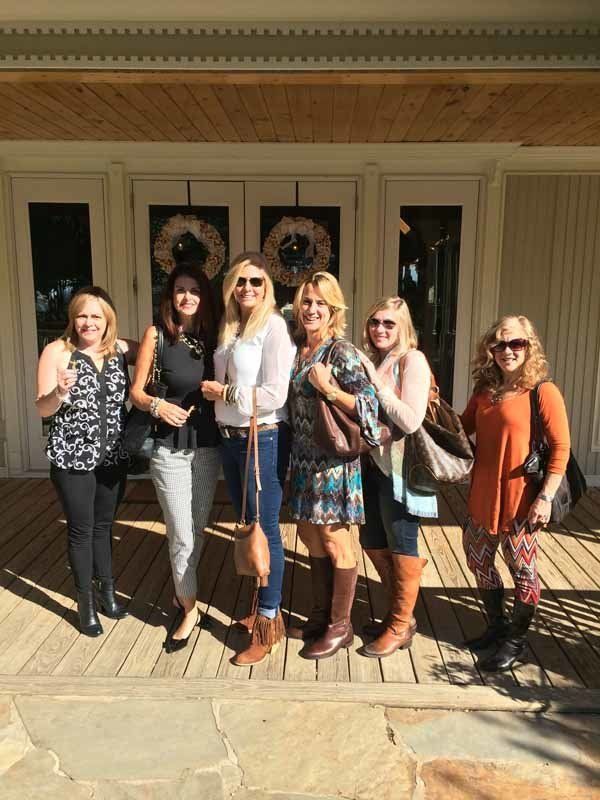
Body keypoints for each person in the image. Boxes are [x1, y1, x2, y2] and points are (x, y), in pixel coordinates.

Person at [201, 252, 296, 666]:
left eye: (256, 281)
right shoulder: (229, 326)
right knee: (246, 526)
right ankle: (259, 608)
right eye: (240, 281)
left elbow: (276, 394)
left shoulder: (273, 326)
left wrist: (225, 395)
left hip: (263, 438)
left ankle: (268, 625)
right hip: (230, 439)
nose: (248, 288)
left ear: (267, 285)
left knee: (266, 529)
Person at [461, 315, 570, 672]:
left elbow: (560, 447)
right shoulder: (486, 391)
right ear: (490, 350)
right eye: (500, 344)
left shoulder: (542, 391)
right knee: (478, 559)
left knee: (523, 568)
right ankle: (497, 626)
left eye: (516, 343)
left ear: (529, 345)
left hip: (521, 500)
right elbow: (461, 429)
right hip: (482, 495)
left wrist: (546, 497)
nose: (508, 351)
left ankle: (516, 639)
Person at [287, 271, 379, 660]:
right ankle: (322, 615)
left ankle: (341, 627)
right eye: (306, 302)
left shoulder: (340, 352)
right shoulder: (300, 349)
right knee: (309, 537)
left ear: (333, 309)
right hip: (304, 459)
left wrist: (330, 389)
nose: (311, 309)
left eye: (320, 303)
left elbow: (369, 408)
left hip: (333, 463)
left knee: (335, 541)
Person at [36, 286, 137, 637]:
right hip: (72, 455)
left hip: (112, 455)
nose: (88, 322)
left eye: (96, 315)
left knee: (103, 526)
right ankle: (86, 604)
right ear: (72, 318)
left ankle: (107, 593)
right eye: (82, 315)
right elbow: (42, 408)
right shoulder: (57, 352)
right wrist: (59, 392)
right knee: (81, 529)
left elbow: (156, 351)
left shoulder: (120, 350)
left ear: (108, 319)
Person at [130, 262, 220, 654]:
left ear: (205, 296)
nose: (187, 297)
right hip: (169, 446)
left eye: (195, 290)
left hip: (208, 446)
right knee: (181, 532)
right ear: (170, 295)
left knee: (196, 529)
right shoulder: (157, 334)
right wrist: (158, 407)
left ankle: (181, 589)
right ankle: (189, 607)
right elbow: (137, 392)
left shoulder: (217, 336)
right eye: (180, 290)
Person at [357, 296, 437, 657]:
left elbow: (410, 420)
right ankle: (398, 612)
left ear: (403, 327)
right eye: (376, 321)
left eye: (389, 323)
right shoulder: (375, 358)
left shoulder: (411, 360)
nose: (380, 329)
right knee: (373, 541)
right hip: (371, 465)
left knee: (402, 543)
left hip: (401, 470)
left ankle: (401, 625)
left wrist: (377, 384)